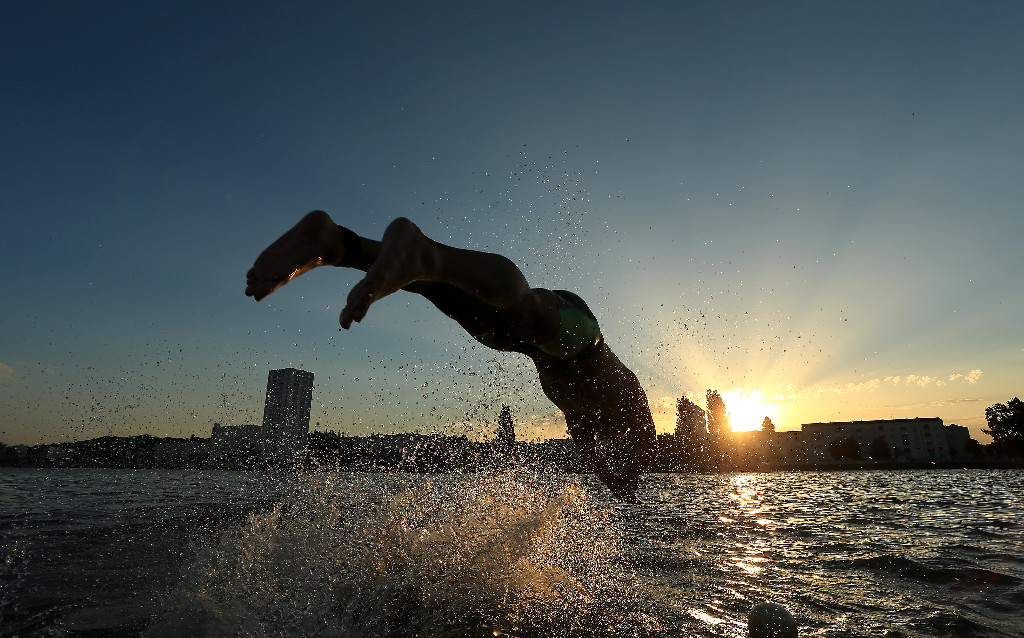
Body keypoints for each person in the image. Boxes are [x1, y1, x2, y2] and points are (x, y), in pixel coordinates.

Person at [245, 210, 657, 500]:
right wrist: (631, 475)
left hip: (525, 345)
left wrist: (611, 478)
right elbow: (646, 441)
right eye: (613, 445)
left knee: (431, 284)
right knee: (527, 312)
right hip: (579, 336)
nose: (606, 444)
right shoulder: (631, 407)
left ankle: (336, 245)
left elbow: (590, 455)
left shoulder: (583, 421)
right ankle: (426, 251)